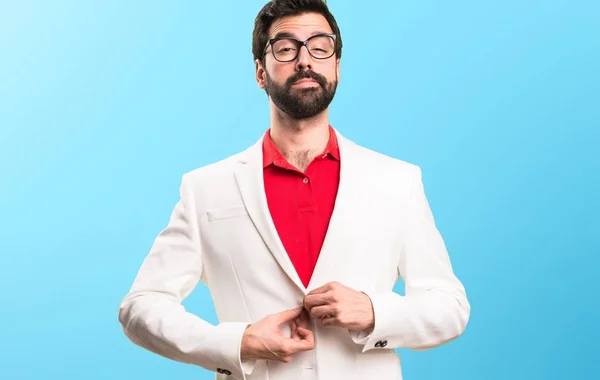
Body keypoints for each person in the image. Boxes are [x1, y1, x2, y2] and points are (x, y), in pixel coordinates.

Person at [117, 0, 471, 379]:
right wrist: (239, 343)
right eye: (286, 48)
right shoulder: (205, 187)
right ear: (260, 72)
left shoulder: (397, 180)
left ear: (336, 66)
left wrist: (374, 312)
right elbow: (140, 307)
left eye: (320, 47)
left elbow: (449, 307)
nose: (305, 60)